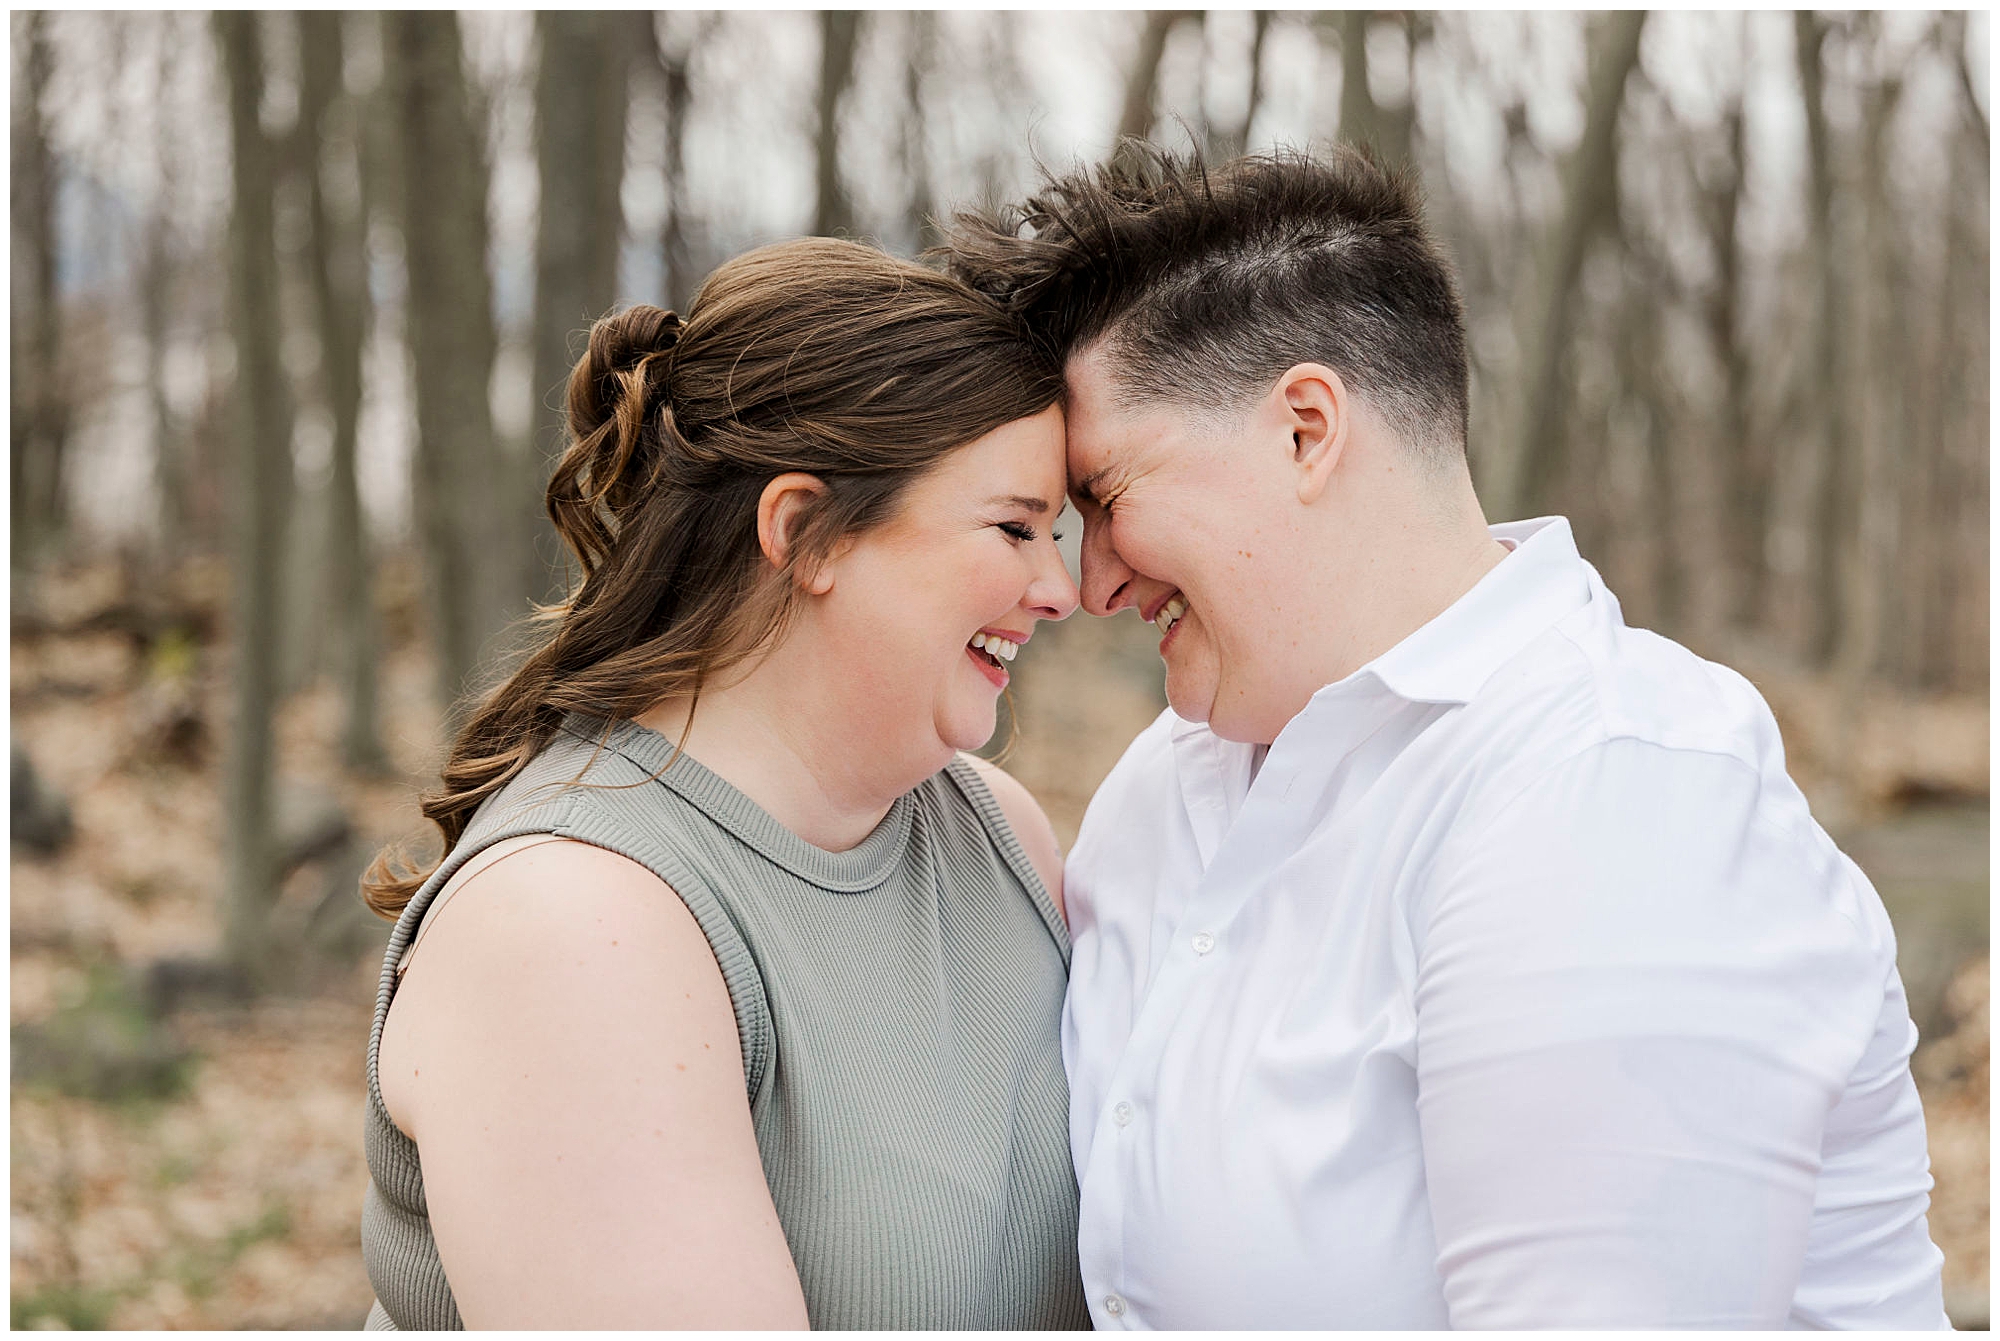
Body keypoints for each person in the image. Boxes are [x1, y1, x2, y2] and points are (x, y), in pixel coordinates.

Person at [939, 145, 1949, 1329]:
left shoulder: (1606, 791)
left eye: (1106, 499)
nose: (1090, 582)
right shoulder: (1164, 786)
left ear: (1305, 429)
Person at [358, 238, 1091, 1329]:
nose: (1059, 590)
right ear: (802, 531)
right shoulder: (570, 926)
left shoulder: (1000, 836)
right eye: (1015, 528)